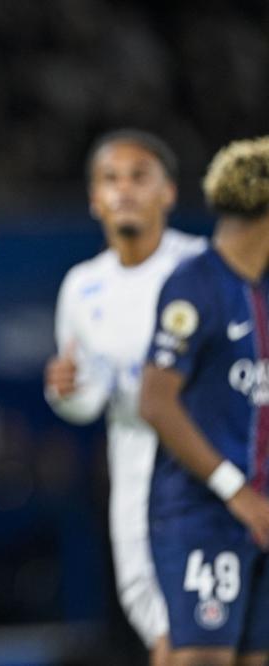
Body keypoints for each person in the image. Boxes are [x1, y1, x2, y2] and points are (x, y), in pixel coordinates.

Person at [45, 130, 206, 664]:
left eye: (140, 176)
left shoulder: (204, 269)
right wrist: (64, 391)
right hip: (133, 467)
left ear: (168, 192)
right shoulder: (81, 286)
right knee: (156, 620)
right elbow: (86, 399)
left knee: (206, 630)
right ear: (94, 198)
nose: (124, 190)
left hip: (208, 465)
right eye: (111, 179)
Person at [140, 136, 269, 665]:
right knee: (202, 659)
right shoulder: (194, 284)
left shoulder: (261, 288)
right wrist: (234, 489)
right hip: (203, 512)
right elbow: (156, 402)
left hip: (260, 513)